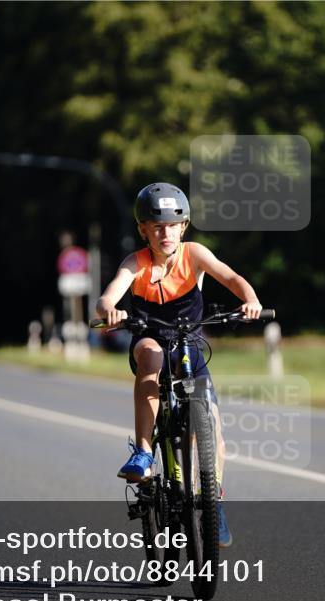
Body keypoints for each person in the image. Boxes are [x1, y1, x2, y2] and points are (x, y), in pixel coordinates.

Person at [95, 182, 263, 548]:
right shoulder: (136, 263)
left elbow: (231, 277)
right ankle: (143, 452)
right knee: (151, 357)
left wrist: (250, 300)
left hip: (188, 347)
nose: (164, 232)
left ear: (183, 226)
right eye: (155, 226)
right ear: (143, 230)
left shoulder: (195, 254)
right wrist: (109, 308)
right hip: (149, 339)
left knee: (213, 426)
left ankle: (212, 502)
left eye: (172, 225)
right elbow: (110, 292)